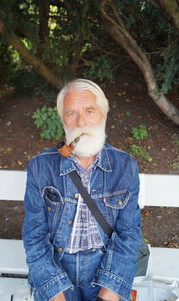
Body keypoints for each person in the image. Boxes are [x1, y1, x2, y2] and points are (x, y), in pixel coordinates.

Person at [22, 79, 142, 301]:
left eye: (89, 111)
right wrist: (53, 293)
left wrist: (109, 293)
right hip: (56, 271)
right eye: (71, 114)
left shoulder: (125, 166)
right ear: (62, 120)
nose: (81, 122)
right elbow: (34, 236)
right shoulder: (40, 166)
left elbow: (129, 234)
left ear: (103, 114)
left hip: (107, 271)